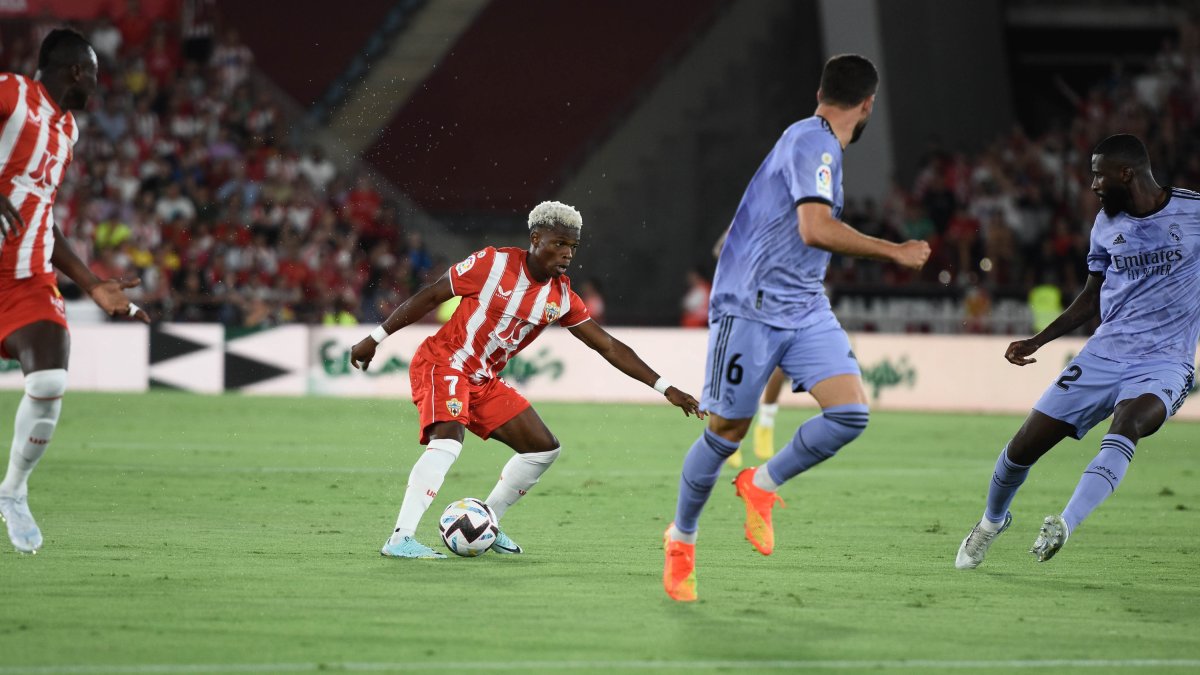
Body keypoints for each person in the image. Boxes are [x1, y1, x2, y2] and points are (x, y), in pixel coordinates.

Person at [663, 54, 930, 601]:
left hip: (804, 305)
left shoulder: (819, 143)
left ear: (819, 91)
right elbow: (814, 227)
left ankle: (760, 485)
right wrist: (894, 251)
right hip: (750, 307)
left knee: (851, 412)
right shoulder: (813, 143)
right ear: (868, 104)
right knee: (724, 433)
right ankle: (681, 538)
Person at [350, 201, 704, 559]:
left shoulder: (560, 296)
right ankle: (401, 537)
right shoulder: (493, 264)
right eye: (559, 244)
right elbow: (431, 295)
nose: (567, 254)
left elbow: (608, 346)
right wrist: (375, 338)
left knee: (543, 447)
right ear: (536, 239)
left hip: (483, 379)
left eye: (573, 247)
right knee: (448, 442)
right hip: (445, 362)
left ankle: (487, 521)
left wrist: (666, 388)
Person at [955, 134, 1198, 569]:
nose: (1092, 185)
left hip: (1165, 362)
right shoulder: (1106, 225)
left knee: (1128, 425)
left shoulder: (1193, 211)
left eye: (1098, 174)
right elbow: (1091, 298)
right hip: (1103, 356)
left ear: (1126, 173)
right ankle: (991, 522)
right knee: (1021, 449)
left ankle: (1065, 523)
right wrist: (1037, 340)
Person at [0, 29, 149, 555]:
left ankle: (13, 491)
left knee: (48, 380)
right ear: (77, 71)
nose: (99, 83)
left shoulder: (67, 131)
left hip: (26, 278)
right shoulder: (11, 93)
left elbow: (42, 215)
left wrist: (91, 285)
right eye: (96, 73)